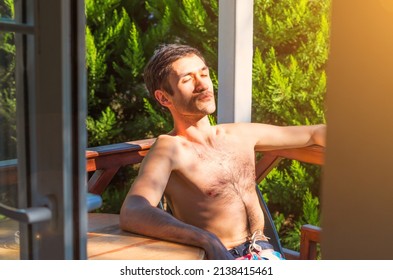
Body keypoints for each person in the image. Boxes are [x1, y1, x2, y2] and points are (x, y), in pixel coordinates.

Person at [119, 44, 326, 260]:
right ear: (163, 98)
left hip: (265, 253)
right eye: (187, 79)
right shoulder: (170, 148)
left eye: (204, 74)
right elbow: (133, 211)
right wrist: (206, 239)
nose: (202, 85)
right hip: (221, 256)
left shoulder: (239, 134)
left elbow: (314, 134)